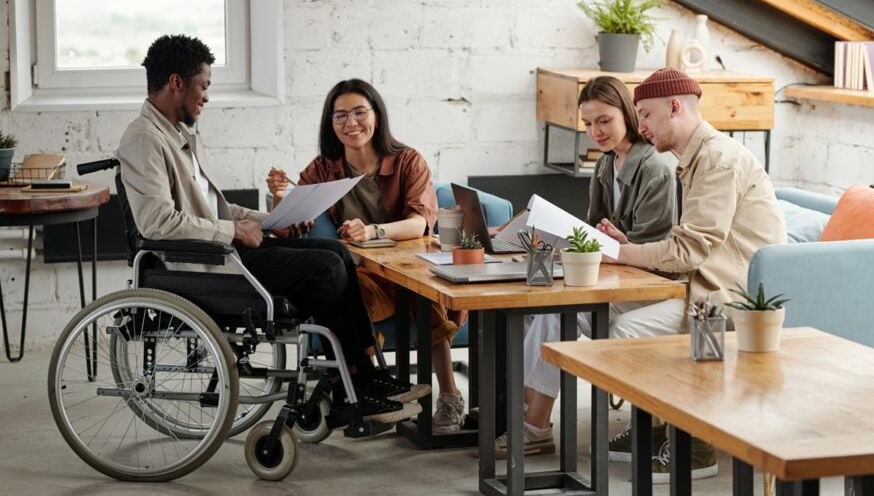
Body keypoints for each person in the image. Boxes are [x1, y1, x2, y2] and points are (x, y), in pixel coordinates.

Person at [116, 34, 424, 428]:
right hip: (199, 266)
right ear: (177, 83)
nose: (206, 96)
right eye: (204, 85)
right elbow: (156, 222)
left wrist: (270, 221)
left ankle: (361, 376)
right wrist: (234, 232)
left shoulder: (178, 136)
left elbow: (215, 209)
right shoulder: (144, 139)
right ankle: (356, 383)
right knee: (325, 268)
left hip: (222, 251)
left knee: (335, 252)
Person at [603, 67, 787, 483]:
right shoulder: (695, 159)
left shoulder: (719, 160)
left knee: (628, 330)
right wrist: (626, 245)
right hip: (702, 286)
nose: (641, 127)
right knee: (611, 307)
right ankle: (652, 428)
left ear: (674, 107)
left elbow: (691, 248)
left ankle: (695, 443)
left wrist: (621, 252)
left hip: (730, 299)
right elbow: (692, 244)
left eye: (646, 115)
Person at [267, 79, 468, 434]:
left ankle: (450, 397)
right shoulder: (323, 167)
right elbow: (288, 229)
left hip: (411, 264)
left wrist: (374, 231)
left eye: (360, 112)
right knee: (349, 300)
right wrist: (281, 198)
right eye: (340, 116)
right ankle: (374, 397)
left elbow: (421, 223)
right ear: (331, 124)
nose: (351, 123)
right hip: (365, 270)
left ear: (377, 115)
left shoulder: (407, 161)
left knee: (426, 300)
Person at [494, 76, 679, 459]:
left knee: (555, 309)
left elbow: (655, 256)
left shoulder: (656, 168)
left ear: (627, 114)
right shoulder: (605, 165)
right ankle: (531, 416)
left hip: (650, 291)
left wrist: (609, 242)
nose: (595, 132)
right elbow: (590, 233)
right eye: (588, 124)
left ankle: (533, 421)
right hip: (614, 282)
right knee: (541, 307)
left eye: (604, 121)